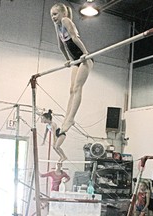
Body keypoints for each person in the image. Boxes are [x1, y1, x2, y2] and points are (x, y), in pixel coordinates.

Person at [50, 3, 94, 162]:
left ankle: (70, 118)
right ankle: (68, 118)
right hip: (76, 60)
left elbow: (74, 38)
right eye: (52, 15)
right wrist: (68, 60)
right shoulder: (57, 27)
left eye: (55, 14)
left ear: (63, 13)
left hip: (85, 59)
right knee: (71, 90)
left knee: (77, 87)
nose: (53, 17)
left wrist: (85, 54)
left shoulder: (67, 21)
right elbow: (61, 45)